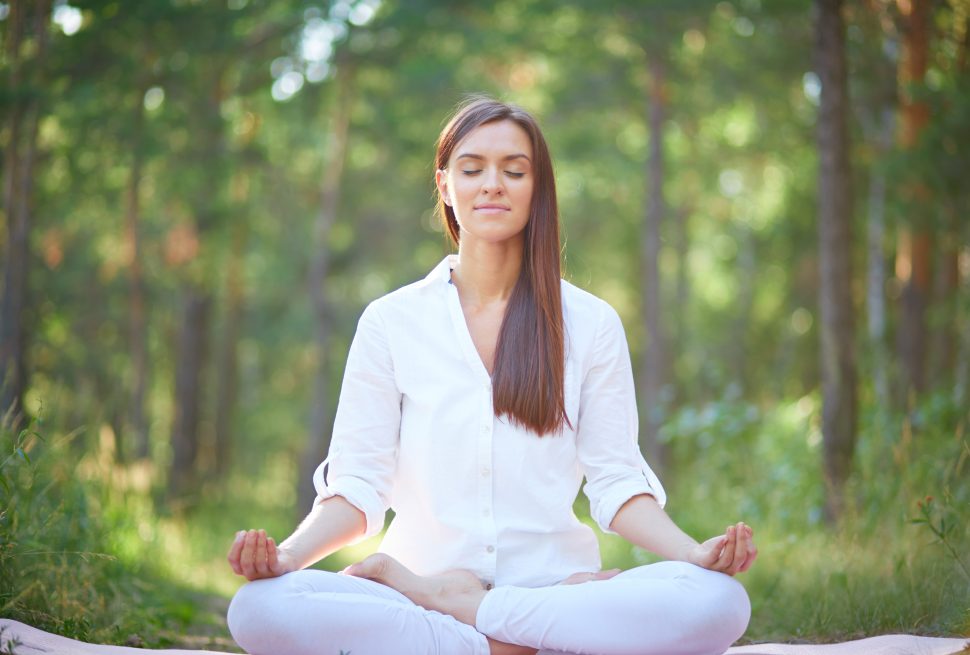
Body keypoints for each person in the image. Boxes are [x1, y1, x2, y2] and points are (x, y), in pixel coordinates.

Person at [225, 96, 756, 655]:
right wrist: (286, 557)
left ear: (538, 187)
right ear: (446, 185)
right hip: (413, 588)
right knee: (260, 609)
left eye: (514, 170)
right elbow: (357, 487)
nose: (492, 185)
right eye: (472, 168)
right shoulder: (391, 321)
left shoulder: (591, 323)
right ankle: (521, 644)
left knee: (717, 602)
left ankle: (466, 616)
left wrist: (693, 553)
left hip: (552, 591)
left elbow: (617, 482)